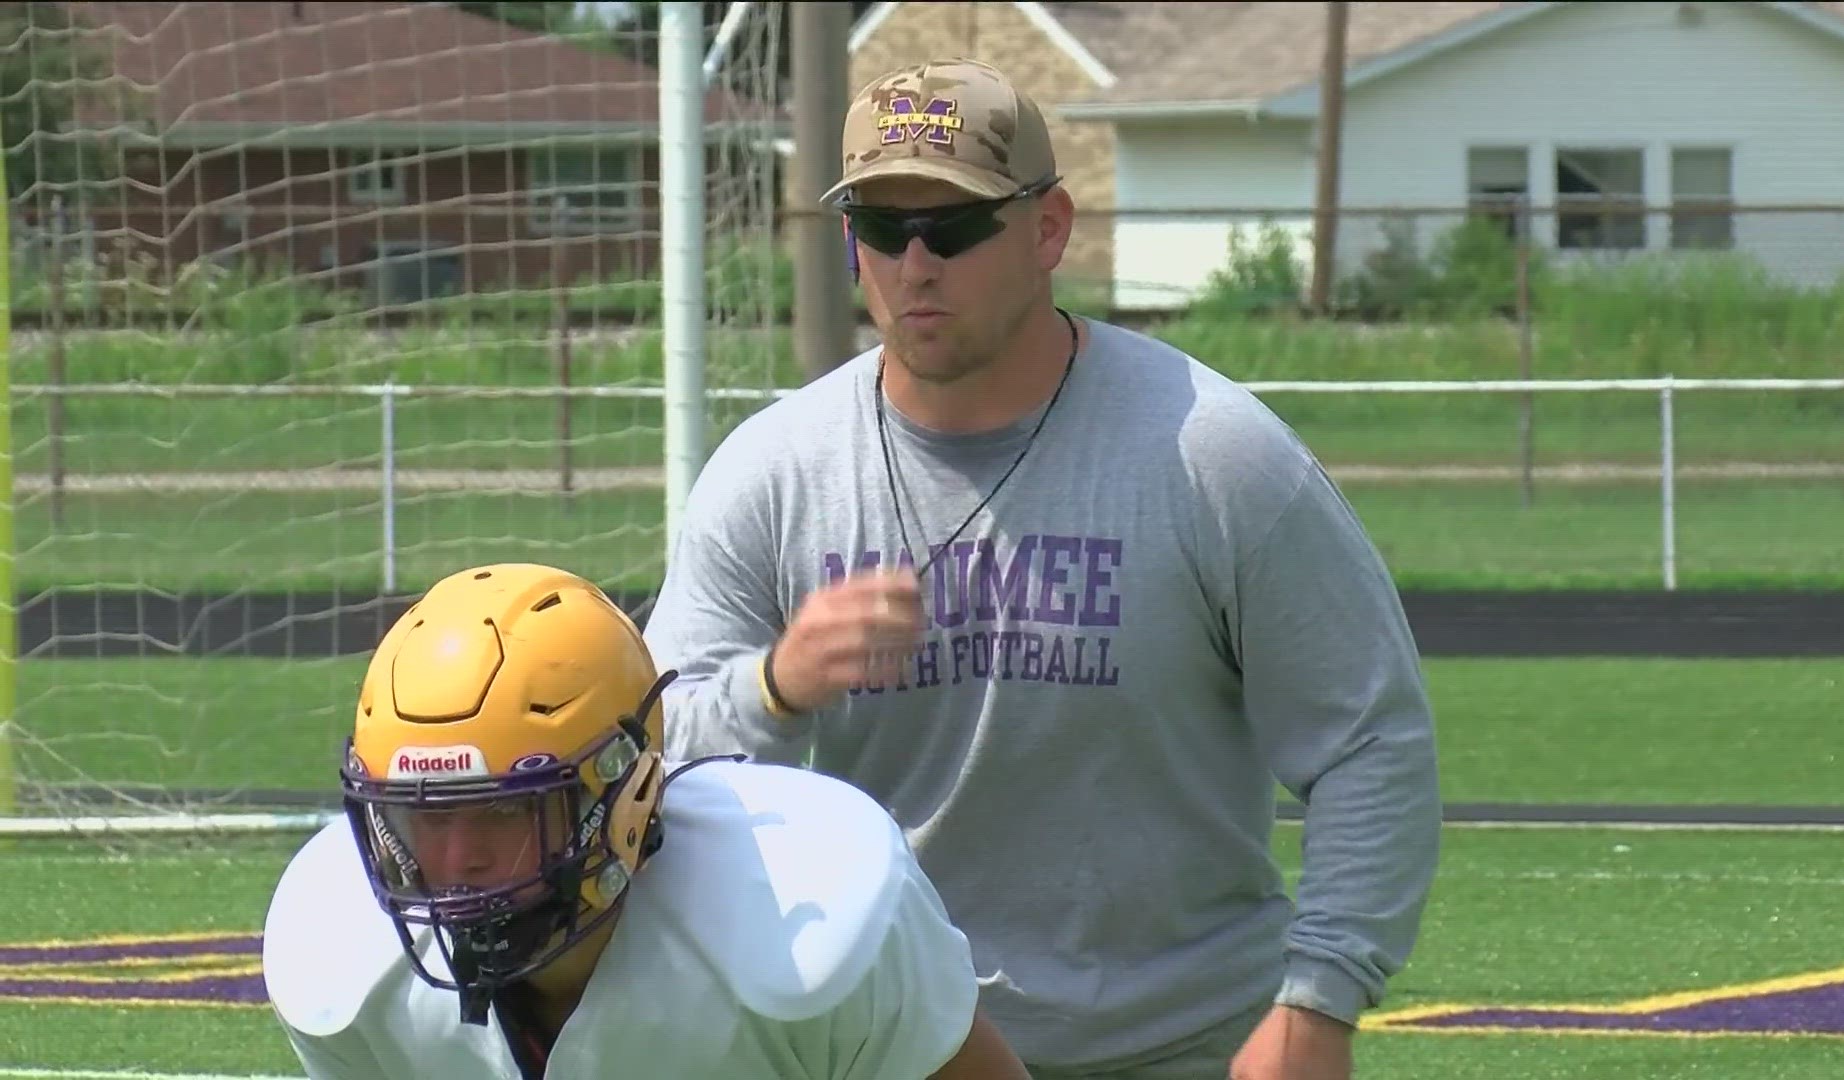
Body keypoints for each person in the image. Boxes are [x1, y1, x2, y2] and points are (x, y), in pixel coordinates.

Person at [645, 56, 1442, 1080]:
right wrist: (774, 690)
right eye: (883, 230)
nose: (915, 263)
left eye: (957, 225)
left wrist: (1320, 1002)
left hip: (1183, 1047)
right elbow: (639, 775)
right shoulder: (772, 476)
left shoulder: (1215, 455)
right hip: (893, 1049)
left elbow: (1371, 737)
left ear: (1049, 229)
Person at [259, 561, 1034, 1080]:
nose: (459, 860)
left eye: (502, 812)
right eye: (422, 819)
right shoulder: (343, 963)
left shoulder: (806, 923)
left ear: (626, 795)